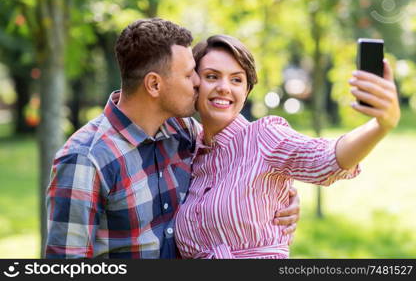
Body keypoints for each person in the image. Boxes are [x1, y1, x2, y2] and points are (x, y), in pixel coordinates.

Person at [44, 18, 299, 259]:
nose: (199, 82)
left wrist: (283, 196)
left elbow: (236, 167)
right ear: (154, 85)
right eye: (189, 75)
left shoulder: (183, 131)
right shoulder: (86, 159)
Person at [174, 34, 401, 259]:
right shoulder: (188, 146)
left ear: (247, 91)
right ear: (194, 84)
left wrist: (380, 126)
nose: (224, 87)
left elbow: (325, 157)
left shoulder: (265, 136)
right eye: (212, 76)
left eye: (236, 80)